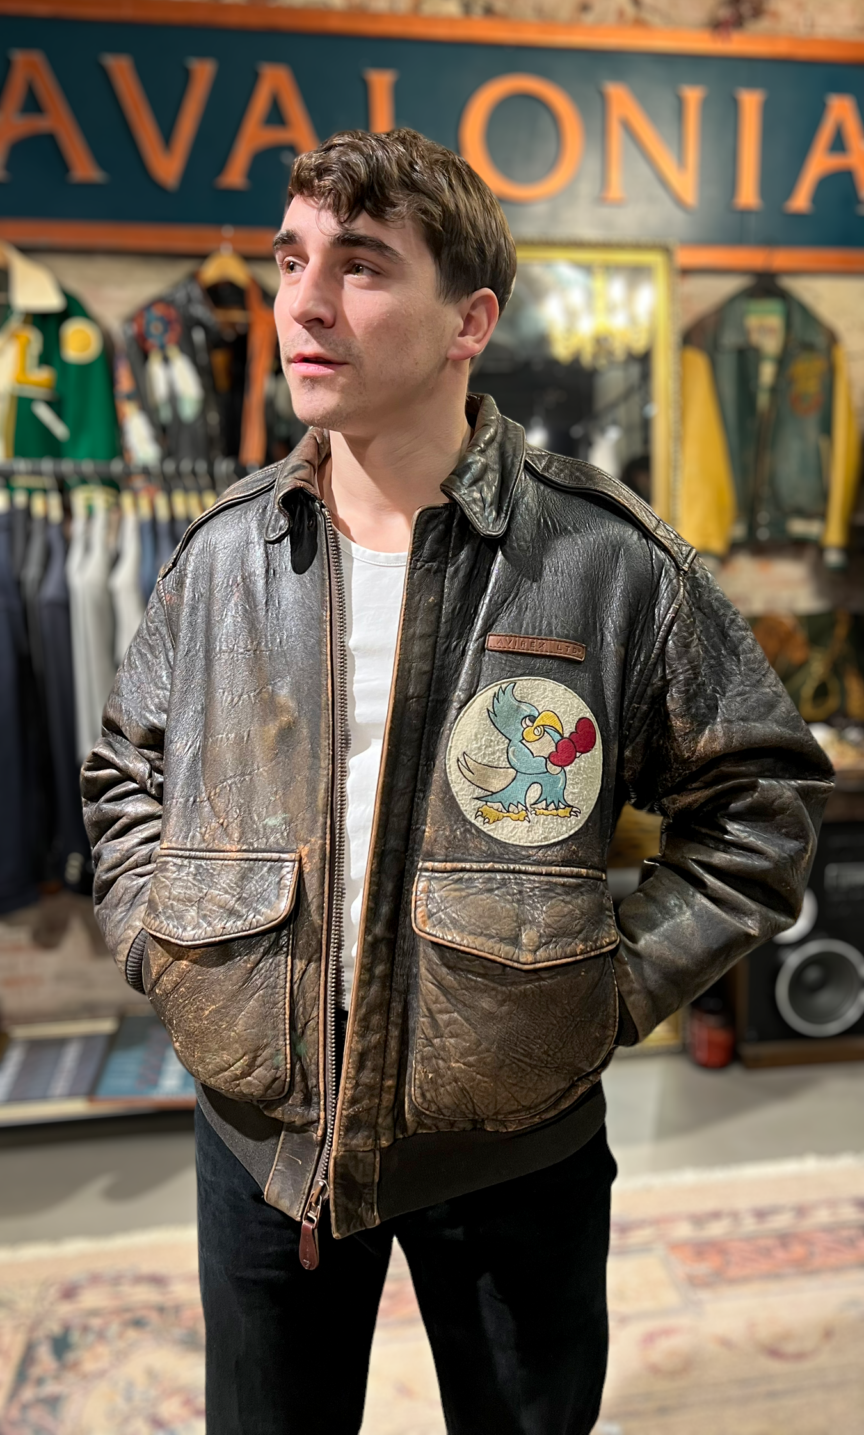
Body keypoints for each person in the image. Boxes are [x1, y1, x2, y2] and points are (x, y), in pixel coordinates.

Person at [82, 128, 833, 1435]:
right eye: (292, 260)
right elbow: (124, 774)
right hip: (262, 1150)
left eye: (363, 266)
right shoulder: (220, 559)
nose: (305, 304)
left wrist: (605, 991)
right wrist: (167, 949)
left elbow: (760, 807)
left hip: (515, 1150)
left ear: (470, 322)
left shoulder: (604, 562)